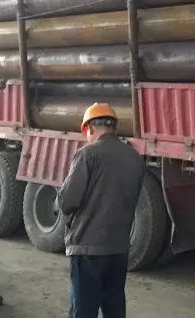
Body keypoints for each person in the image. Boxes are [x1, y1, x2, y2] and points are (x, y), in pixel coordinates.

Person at [58, 102, 145, 318]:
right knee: (114, 308)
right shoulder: (134, 157)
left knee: (83, 310)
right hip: (118, 248)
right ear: (113, 127)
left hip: (88, 248)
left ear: (89, 128)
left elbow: (67, 201)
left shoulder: (87, 154)